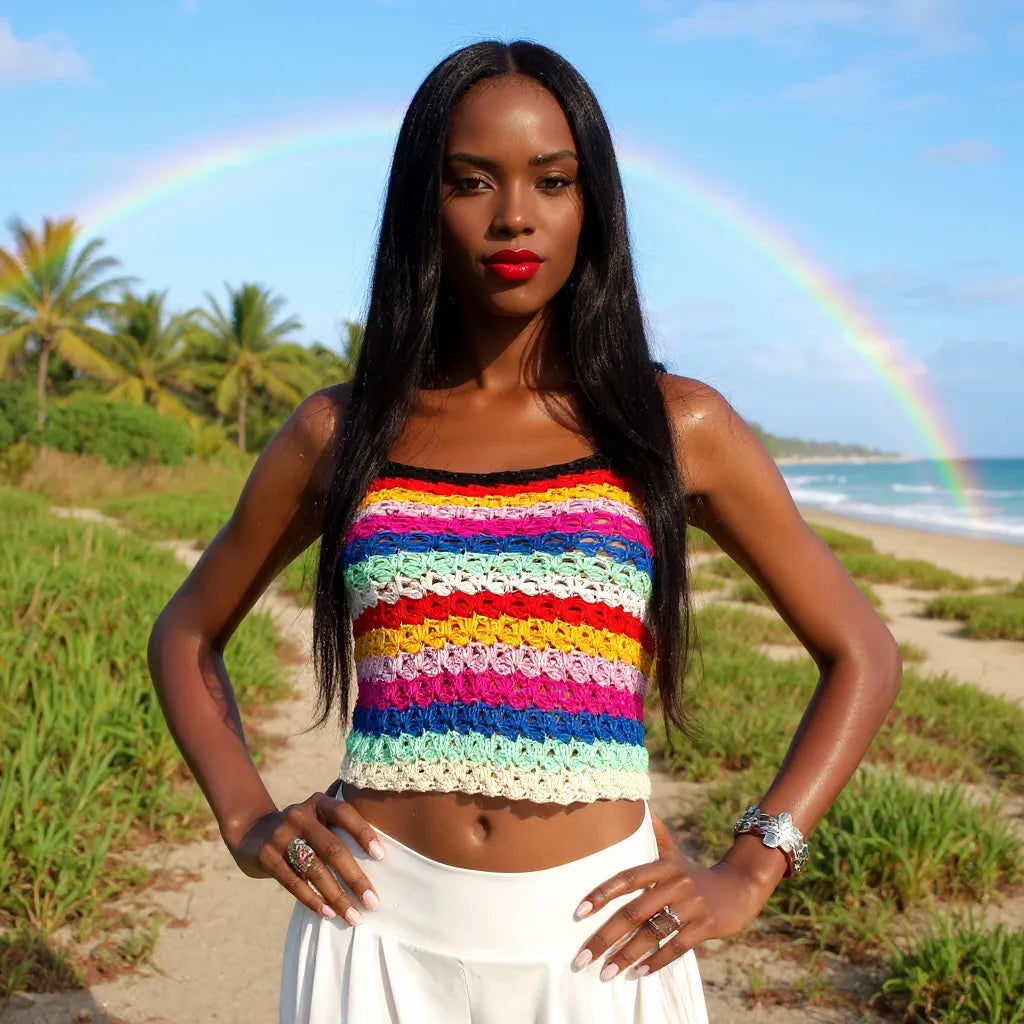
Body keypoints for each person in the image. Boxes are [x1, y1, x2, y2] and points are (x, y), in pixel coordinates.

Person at [147, 39, 902, 1024]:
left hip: (600, 945)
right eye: (472, 182)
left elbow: (863, 652)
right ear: (426, 200)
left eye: (552, 180)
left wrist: (752, 870)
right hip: (372, 934)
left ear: (591, 205)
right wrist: (247, 818)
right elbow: (186, 632)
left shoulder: (675, 425)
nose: (515, 216)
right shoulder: (342, 432)